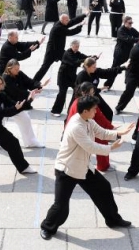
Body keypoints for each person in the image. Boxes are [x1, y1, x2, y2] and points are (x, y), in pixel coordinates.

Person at [39, 95, 133, 240]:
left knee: (104, 188)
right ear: (85, 111)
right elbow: (90, 146)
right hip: (67, 170)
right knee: (61, 206)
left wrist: (120, 133)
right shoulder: (76, 126)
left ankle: (113, 220)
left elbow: (101, 132)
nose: (96, 111)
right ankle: (47, 227)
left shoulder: (88, 120)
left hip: (83, 166)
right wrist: (111, 148)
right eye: (94, 109)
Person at [66, 83, 115, 172]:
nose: (93, 95)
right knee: (99, 142)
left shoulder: (78, 101)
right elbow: (99, 117)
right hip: (80, 131)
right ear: (85, 93)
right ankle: (103, 166)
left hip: (76, 131)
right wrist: (110, 127)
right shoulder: (86, 105)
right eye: (92, 93)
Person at [2, 59, 47, 148]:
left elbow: (29, 82)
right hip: (5, 104)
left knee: (25, 120)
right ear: (9, 68)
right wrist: (31, 93)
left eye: (18, 68)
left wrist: (39, 86)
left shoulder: (19, 74)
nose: (17, 71)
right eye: (15, 69)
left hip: (16, 104)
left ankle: (30, 142)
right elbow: (16, 92)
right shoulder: (5, 78)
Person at [34, 12, 87, 84]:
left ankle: (74, 80)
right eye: (66, 20)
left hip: (59, 51)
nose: (68, 21)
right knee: (45, 67)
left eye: (68, 19)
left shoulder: (62, 23)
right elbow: (71, 32)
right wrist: (81, 25)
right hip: (52, 51)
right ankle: (33, 82)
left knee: (70, 62)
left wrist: (83, 15)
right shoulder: (58, 27)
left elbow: (72, 22)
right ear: (62, 20)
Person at [50, 39, 92, 116]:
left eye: (78, 46)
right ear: (71, 46)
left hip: (72, 77)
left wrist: (92, 57)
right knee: (62, 94)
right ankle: (55, 111)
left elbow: (84, 57)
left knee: (78, 91)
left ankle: (72, 110)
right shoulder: (67, 54)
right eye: (75, 46)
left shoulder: (77, 53)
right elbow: (74, 62)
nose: (77, 48)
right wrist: (84, 61)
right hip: (63, 77)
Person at [107, 15, 139, 90]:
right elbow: (128, 39)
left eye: (132, 23)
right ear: (125, 22)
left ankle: (134, 83)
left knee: (133, 68)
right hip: (120, 53)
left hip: (128, 53)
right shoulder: (121, 30)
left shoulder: (132, 29)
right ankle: (108, 85)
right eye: (129, 23)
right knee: (115, 69)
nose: (131, 24)